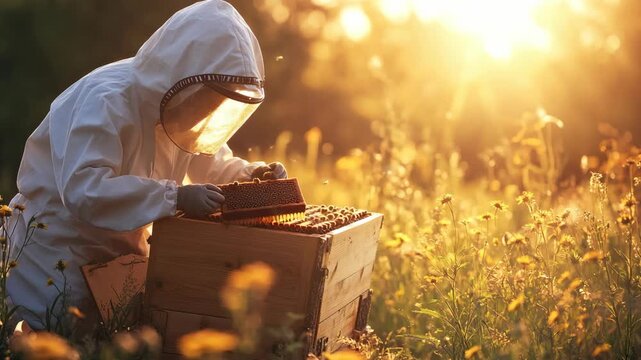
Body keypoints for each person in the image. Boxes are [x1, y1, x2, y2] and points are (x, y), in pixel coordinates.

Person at [6, 0, 285, 331]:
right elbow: (85, 189)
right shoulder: (105, 99)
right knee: (52, 340)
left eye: (217, 103)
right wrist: (174, 197)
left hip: (121, 263)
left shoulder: (180, 108)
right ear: (184, 75)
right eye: (207, 98)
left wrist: (250, 175)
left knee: (111, 343)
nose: (207, 110)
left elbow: (208, 158)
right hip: (56, 258)